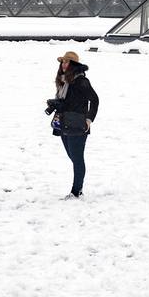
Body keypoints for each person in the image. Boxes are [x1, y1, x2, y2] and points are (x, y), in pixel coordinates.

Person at [51, 51, 99, 199]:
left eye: (67, 62)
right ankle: (77, 186)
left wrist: (89, 119)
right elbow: (68, 101)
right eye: (62, 62)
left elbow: (95, 101)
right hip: (64, 123)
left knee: (77, 158)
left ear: (73, 65)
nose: (64, 65)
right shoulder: (64, 81)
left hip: (78, 125)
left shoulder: (81, 82)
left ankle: (76, 191)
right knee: (73, 157)